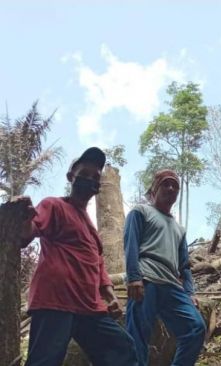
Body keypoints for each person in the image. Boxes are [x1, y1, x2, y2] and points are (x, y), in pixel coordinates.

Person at [17, 147, 137, 366]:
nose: (90, 179)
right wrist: (24, 217)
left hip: (90, 307)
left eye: (95, 177)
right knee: (44, 361)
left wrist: (110, 297)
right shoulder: (54, 205)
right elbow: (27, 233)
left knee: (123, 350)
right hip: (55, 302)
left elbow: (98, 266)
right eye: (84, 174)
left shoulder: (92, 230)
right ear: (71, 177)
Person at [123, 169, 205, 366]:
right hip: (147, 279)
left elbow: (184, 266)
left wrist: (190, 292)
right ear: (155, 189)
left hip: (172, 288)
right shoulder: (140, 212)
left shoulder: (179, 229)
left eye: (175, 186)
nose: (171, 188)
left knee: (196, 328)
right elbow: (131, 243)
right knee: (138, 337)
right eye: (165, 184)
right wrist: (134, 277)